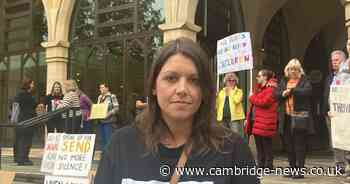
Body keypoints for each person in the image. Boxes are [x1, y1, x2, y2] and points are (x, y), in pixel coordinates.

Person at [94, 37, 258, 184]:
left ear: (204, 91)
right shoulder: (121, 144)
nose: (182, 89)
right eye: (171, 78)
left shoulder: (233, 150)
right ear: (153, 86)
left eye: (194, 80)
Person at [276, 58, 314, 179]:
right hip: (286, 117)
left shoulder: (304, 80)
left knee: (299, 144)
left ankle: (300, 170)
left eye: (296, 69)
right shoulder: (284, 80)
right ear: (287, 70)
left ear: (299, 70)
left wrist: (292, 91)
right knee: (288, 144)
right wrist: (283, 94)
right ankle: (292, 168)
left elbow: (307, 91)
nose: (293, 71)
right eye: (291, 69)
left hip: (299, 117)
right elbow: (275, 94)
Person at [323, 50, 350, 175]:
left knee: (347, 140)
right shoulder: (330, 77)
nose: (334, 63)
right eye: (332, 60)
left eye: (336, 60)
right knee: (336, 141)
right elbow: (327, 96)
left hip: (346, 114)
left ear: (344, 61)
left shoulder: (348, 76)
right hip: (332, 114)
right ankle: (339, 166)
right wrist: (326, 110)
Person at [245, 69, 278, 170]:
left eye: (259, 76)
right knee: (259, 146)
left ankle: (268, 165)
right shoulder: (259, 89)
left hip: (266, 121)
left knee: (266, 145)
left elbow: (264, 102)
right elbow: (253, 105)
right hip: (256, 121)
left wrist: (251, 97)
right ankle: (261, 165)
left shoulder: (271, 89)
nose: (257, 78)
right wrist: (248, 118)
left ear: (265, 77)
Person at [13, 78, 37, 166]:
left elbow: (13, 106)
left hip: (20, 120)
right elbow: (32, 106)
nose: (33, 86)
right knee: (26, 140)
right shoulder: (27, 96)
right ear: (29, 85)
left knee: (19, 139)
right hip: (27, 120)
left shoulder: (18, 95)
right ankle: (23, 159)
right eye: (32, 84)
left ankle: (18, 158)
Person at [216, 72, 245, 137]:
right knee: (224, 136)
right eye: (229, 80)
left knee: (235, 136)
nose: (231, 82)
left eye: (233, 80)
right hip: (222, 118)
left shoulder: (239, 91)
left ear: (236, 82)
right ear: (225, 82)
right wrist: (216, 97)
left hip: (234, 118)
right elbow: (217, 106)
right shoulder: (221, 92)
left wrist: (230, 91)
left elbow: (237, 100)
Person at [97, 83, 119, 151]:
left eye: (103, 87)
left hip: (109, 121)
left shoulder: (112, 96)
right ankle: (104, 155)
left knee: (109, 138)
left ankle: (110, 154)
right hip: (101, 121)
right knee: (102, 139)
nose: (101, 89)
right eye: (100, 88)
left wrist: (108, 114)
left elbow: (116, 108)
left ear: (107, 88)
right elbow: (98, 107)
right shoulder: (99, 97)